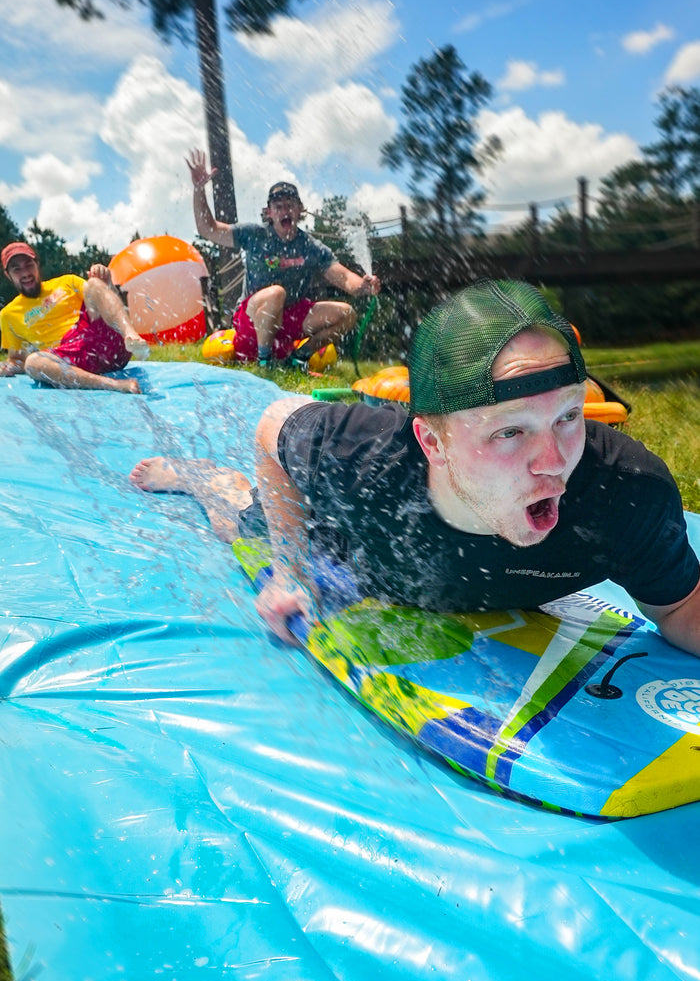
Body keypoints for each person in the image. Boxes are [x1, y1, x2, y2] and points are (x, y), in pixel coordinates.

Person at [129, 278, 700, 657]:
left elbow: (680, 608)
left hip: (479, 587)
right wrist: (289, 573)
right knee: (235, 519)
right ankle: (201, 478)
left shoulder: (627, 494)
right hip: (347, 549)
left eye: (568, 416)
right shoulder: (367, 458)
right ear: (432, 439)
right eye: (509, 431)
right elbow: (271, 425)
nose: (555, 462)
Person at [186, 150, 380, 369]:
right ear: (269, 212)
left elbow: (344, 277)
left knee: (347, 314)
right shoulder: (254, 235)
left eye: (290, 205)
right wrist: (199, 189)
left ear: (300, 210)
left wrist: (364, 285)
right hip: (252, 325)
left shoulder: (311, 246)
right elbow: (208, 229)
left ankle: (298, 358)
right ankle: (265, 363)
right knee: (276, 293)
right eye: (278, 207)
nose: (285, 211)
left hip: (289, 324)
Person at [0, 242, 149, 394]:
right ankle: (115, 385)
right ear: (8, 275)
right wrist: (8, 367)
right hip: (71, 360)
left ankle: (131, 335)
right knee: (33, 362)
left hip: (108, 345)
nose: (25, 273)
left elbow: (102, 299)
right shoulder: (8, 314)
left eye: (28, 265)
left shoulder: (67, 281)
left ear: (37, 264)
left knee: (94, 284)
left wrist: (108, 283)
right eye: (17, 269)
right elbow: (17, 360)